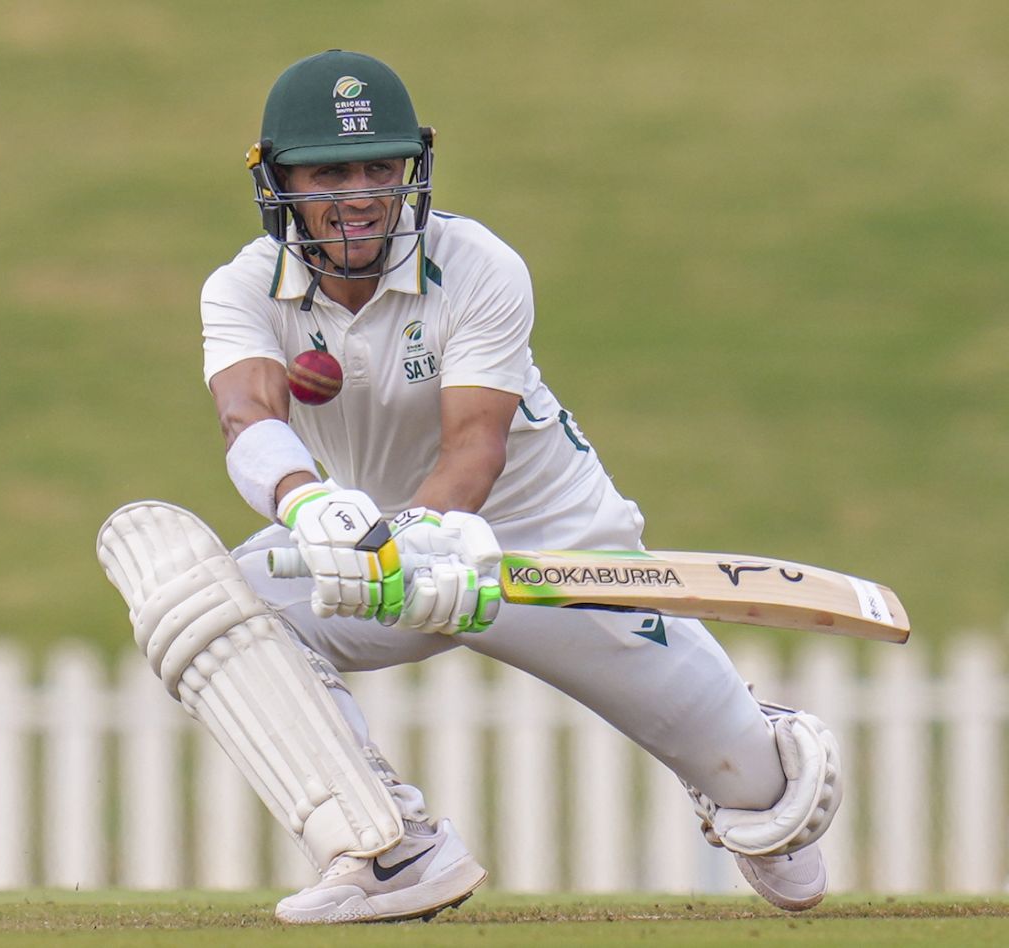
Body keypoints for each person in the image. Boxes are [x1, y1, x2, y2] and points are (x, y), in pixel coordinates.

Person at [98, 49, 842, 924]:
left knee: (760, 799)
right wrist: (308, 501)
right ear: (276, 180)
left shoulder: (477, 264)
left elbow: (475, 447)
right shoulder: (241, 289)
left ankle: (758, 765)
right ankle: (388, 850)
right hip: (381, 546)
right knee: (207, 607)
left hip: (552, 553)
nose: (363, 193)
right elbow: (245, 416)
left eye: (382, 166)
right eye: (330, 171)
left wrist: (418, 531)